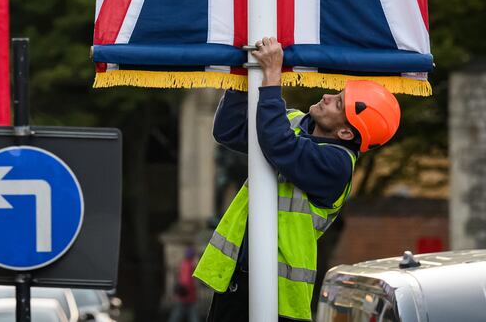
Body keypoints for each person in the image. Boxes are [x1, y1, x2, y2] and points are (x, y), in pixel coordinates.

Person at [193, 37, 401, 322]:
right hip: (236, 279)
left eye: (338, 104)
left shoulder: (337, 164)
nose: (327, 97)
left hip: (280, 297)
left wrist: (272, 76)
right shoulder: (289, 122)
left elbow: (280, 145)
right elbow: (228, 130)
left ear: (345, 134)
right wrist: (243, 76)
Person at [168, 246, 200, 322]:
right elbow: (187, 281)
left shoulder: (183, 264)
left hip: (184, 296)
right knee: (191, 316)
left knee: (178, 315)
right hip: (188, 295)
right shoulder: (189, 266)